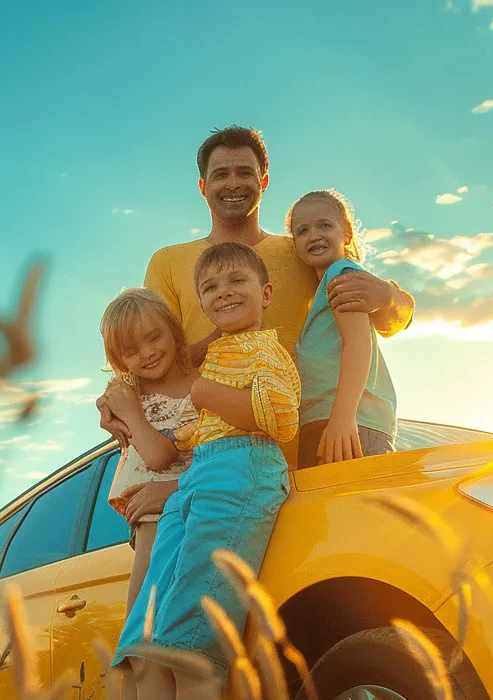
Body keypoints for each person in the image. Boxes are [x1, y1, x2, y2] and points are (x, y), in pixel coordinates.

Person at [98, 126, 414, 522]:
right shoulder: (167, 262)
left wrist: (388, 296)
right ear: (202, 186)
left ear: (263, 181)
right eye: (221, 174)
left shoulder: (300, 247)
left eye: (245, 172)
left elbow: (382, 321)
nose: (234, 183)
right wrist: (115, 396)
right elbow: (149, 356)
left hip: (310, 454)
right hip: (213, 474)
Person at [112, 242, 299, 700]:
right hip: (199, 481)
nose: (224, 293)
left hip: (242, 470)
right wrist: (128, 411)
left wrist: (200, 393)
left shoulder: (267, 351)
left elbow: (282, 416)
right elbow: (192, 436)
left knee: (192, 643)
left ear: (267, 294)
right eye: (211, 288)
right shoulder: (215, 359)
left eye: (236, 281)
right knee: (149, 642)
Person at [97, 288, 201, 700]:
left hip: (192, 513)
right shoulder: (131, 396)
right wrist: (119, 404)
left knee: (155, 643)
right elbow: (155, 459)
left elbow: (173, 460)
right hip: (152, 521)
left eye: (154, 337)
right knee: (143, 646)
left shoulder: (207, 384)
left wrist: (127, 410)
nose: (146, 354)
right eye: (129, 352)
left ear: (175, 330)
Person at [288, 190, 398, 467]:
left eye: (325, 225)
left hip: (350, 424)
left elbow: (357, 345)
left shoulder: (342, 274)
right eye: (302, 230)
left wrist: (342, 418)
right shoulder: (325, 288)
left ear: (346, 233)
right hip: (328, 421)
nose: (313, 235)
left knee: (357, 510)